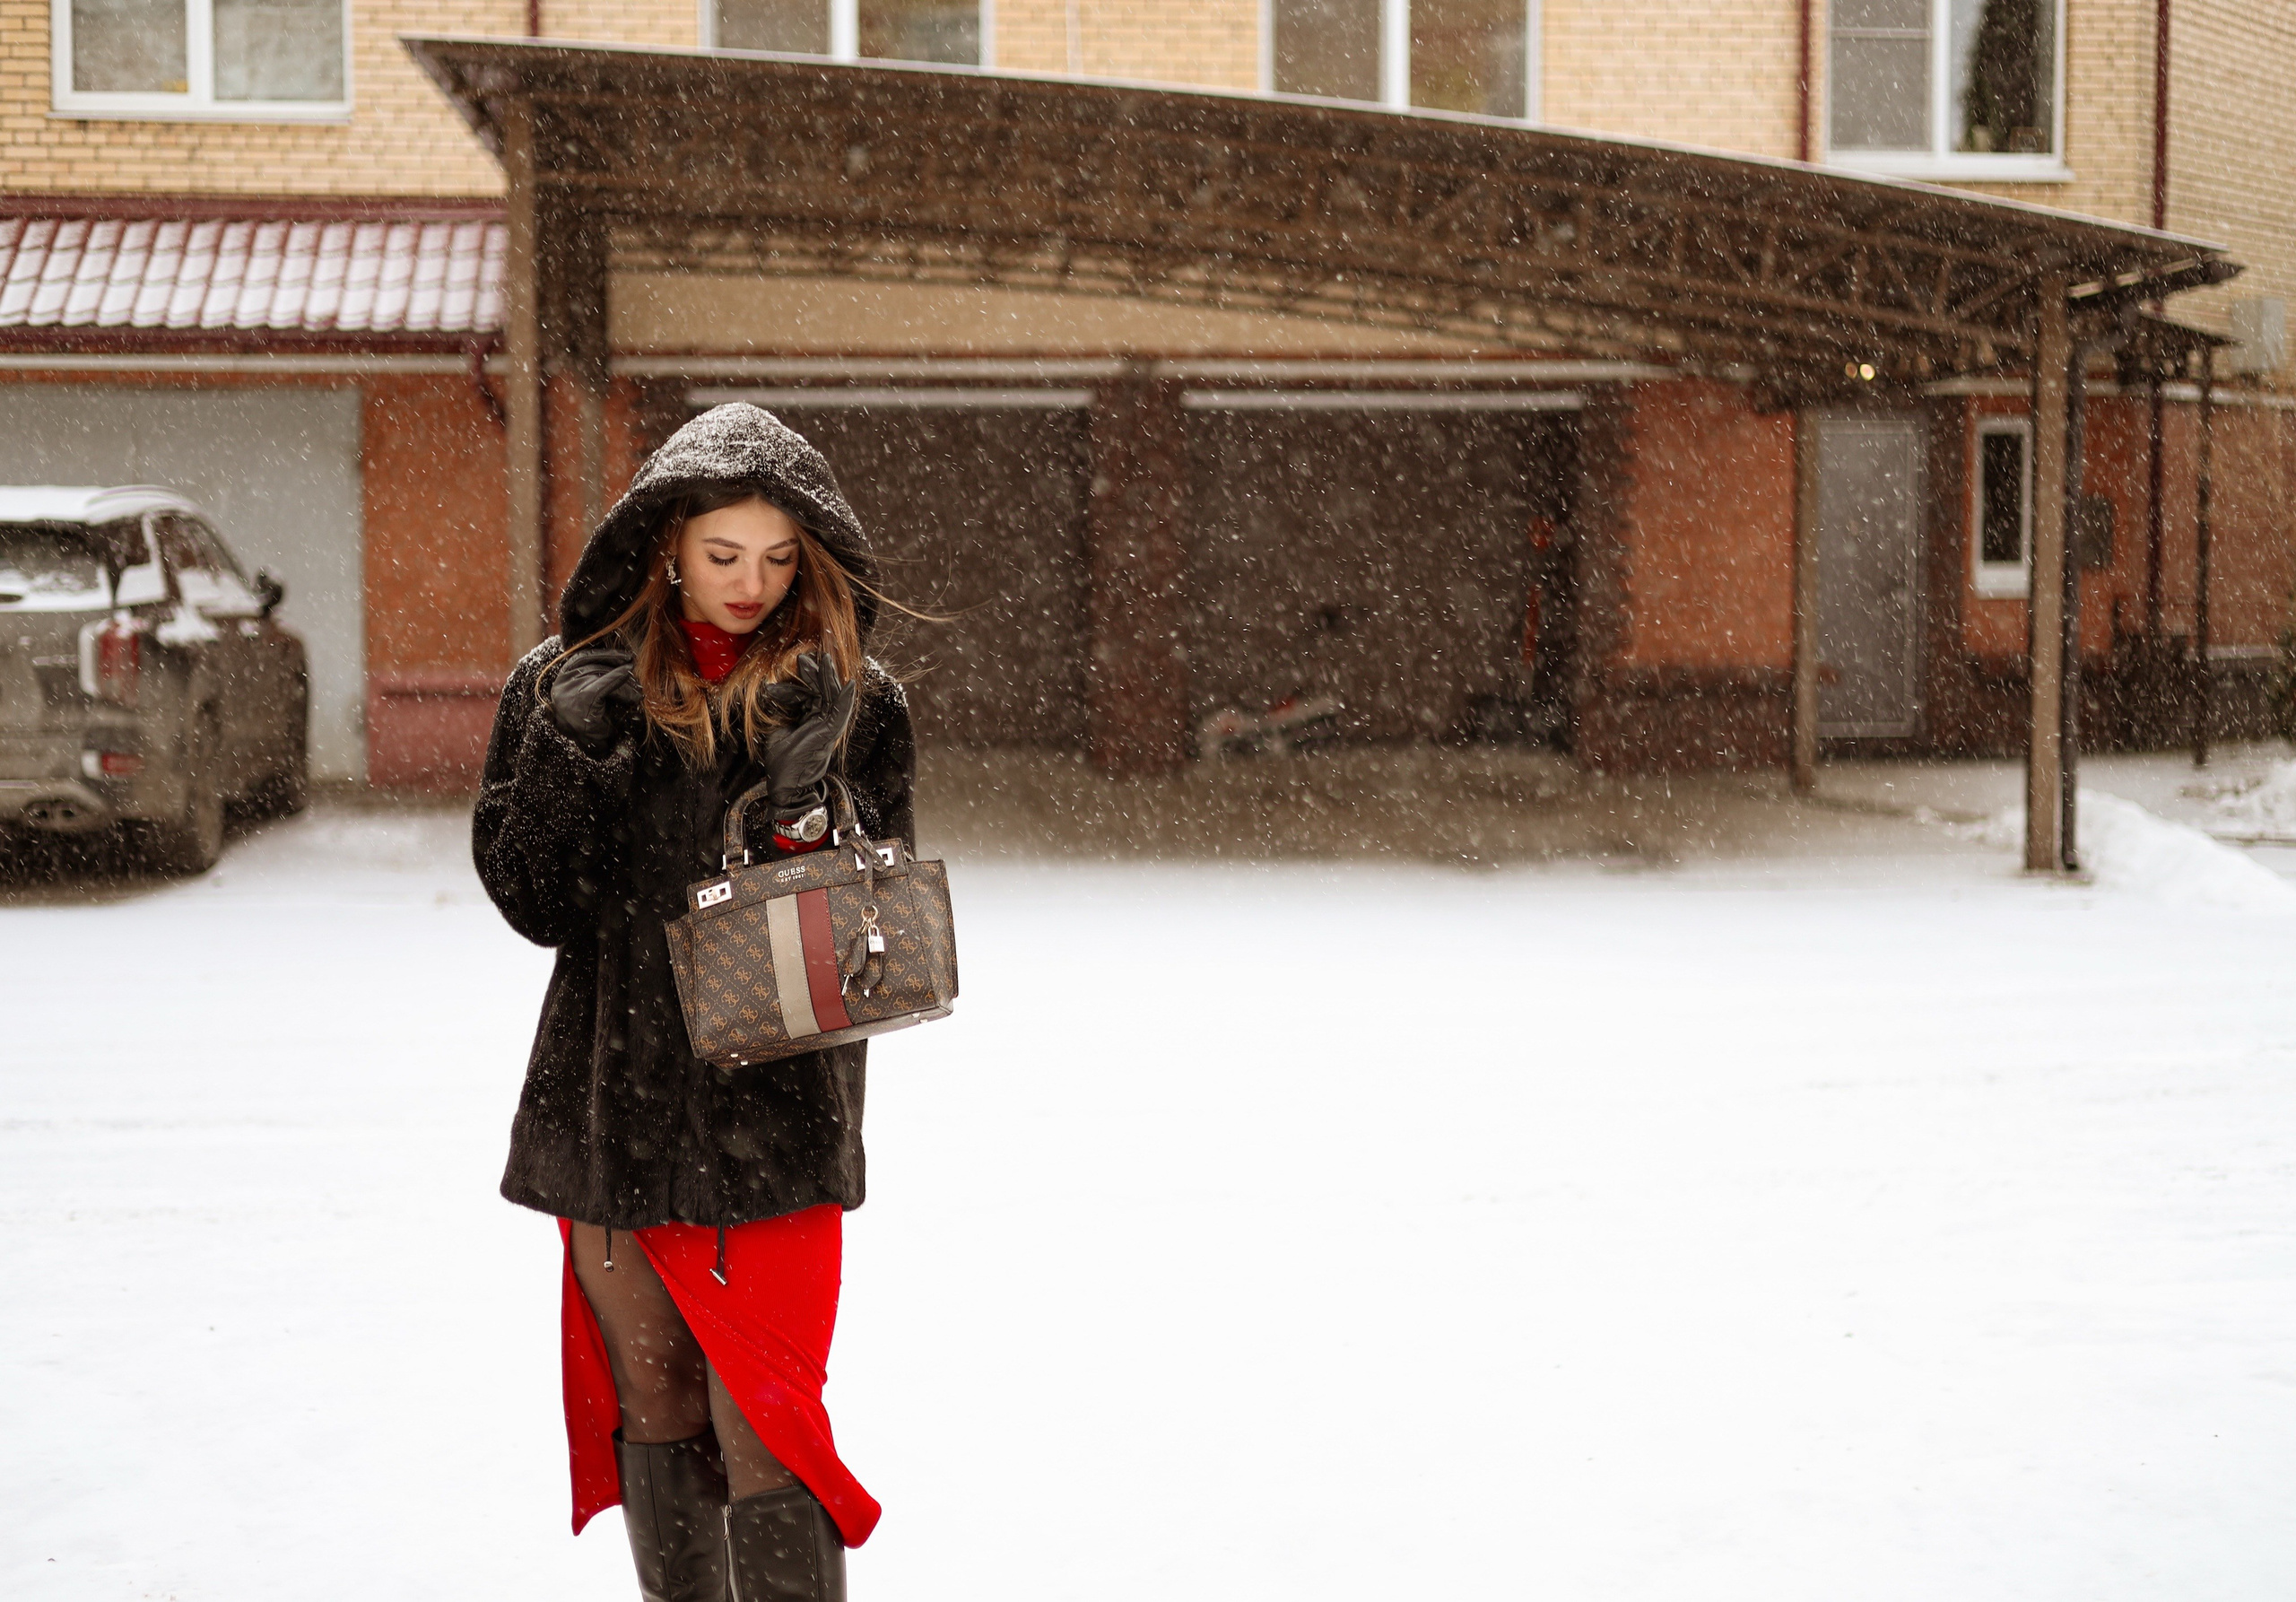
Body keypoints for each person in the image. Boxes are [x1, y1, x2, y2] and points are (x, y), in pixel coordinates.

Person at [474, 403, 913, 1602]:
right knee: (658, 1404)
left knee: (765, 1417)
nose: (751, 585)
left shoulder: (853, 698)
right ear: (667, 544)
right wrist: (573, 751)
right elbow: (535, 898)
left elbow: (865, 943)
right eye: (724, 556)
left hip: (771, 1123)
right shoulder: (566, 684)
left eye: (779, 561)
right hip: (607, 1110)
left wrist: (805, 796)